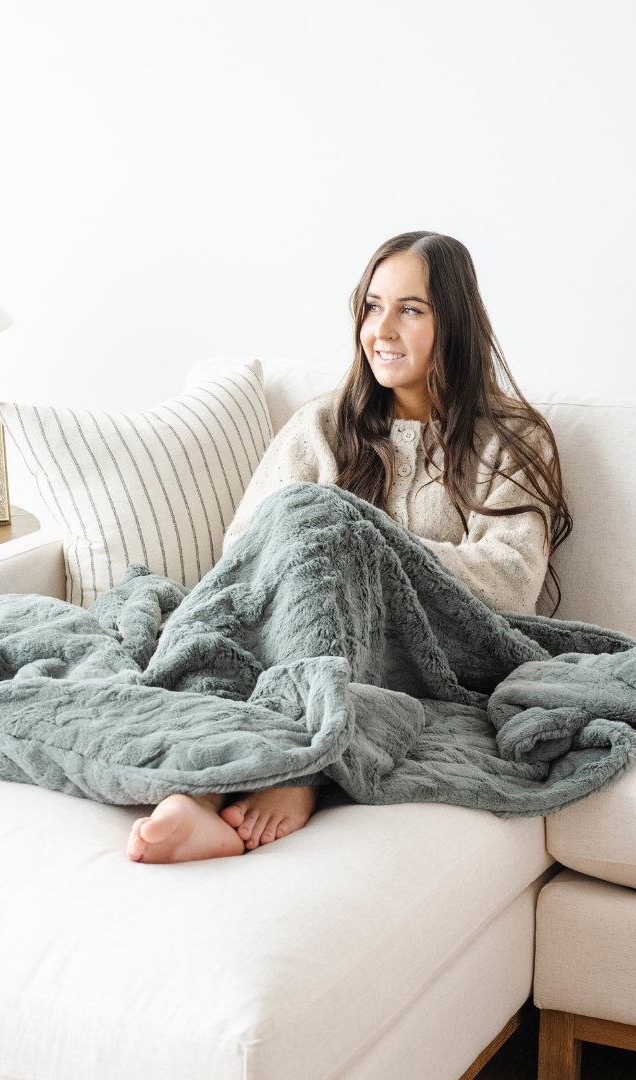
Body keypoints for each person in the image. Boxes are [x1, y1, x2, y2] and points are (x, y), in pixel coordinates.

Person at [126, 231, 572, 864]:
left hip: (429, 652)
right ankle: (198, 794)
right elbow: (249, 551)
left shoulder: (512, 438)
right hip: (297, 639)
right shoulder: (321, 425)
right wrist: (334, 543)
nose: (382, 328)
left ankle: (300, 773)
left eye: (411, 310)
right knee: (301, 535)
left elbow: (510, 581)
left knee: (332, 525)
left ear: (456, 324)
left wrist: (367, 548)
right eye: (372, 305)